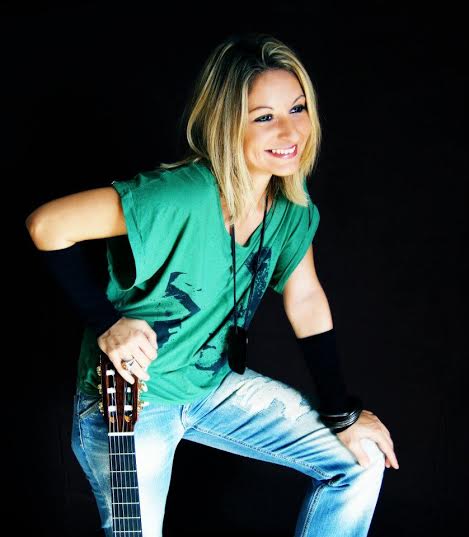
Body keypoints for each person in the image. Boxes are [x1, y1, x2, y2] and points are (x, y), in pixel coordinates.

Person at [25, 32, 399, 537]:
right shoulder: (180, 195)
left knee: (360, 460)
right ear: (227, 124)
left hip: (210, 386)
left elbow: (306, 298)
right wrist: (108, 322)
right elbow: (47, 226)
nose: (289, 129)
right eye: (264, 117)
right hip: (132, 400)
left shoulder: (291, 207)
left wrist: (343, 413)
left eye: (297, 108)